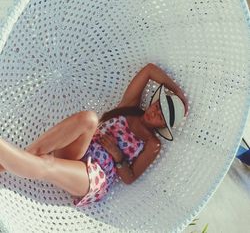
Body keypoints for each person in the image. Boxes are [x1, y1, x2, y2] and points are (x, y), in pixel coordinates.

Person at [0, 63, 188, 206]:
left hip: (95, 175)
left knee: (47, 164)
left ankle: (9, 162)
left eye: (161, 116)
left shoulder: (152, 144)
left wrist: (118, 155)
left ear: (163, 125)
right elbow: (149, 70)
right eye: (158, 106)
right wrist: (177, 91)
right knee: (89, 118)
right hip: (79, 152)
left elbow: (129, 178)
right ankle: (22, 156)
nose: (155, 112)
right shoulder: (130, 108)